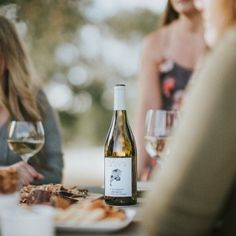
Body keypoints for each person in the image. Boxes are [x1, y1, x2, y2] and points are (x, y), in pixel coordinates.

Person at [142, 0, 236, 235]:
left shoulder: (228, 51)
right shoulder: (156, 43)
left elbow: (173, 219)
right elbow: (146, 120)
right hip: (167, 166)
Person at [136, 0, 205, 180]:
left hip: (211, 164)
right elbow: (146, 116)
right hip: (164, 169)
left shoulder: (226, 39)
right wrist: (133, 177)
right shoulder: (156, 43)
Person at [0, 16, 63, 185]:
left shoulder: (35, 101)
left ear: (8, 57)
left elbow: (54, 172)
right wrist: (9, 176)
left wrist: (25, 180)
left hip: (24, 210)